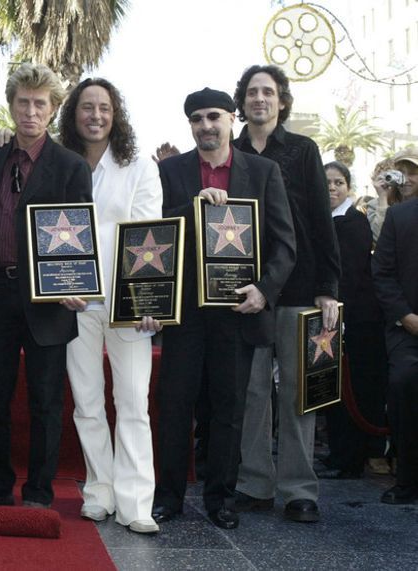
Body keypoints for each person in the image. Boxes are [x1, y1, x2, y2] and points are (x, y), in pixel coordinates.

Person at [152, 87, 295, 530]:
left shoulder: (263, 170)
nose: (205, 125)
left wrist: (264, 291)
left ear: (232, 119)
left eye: (214, 116)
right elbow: (154, 229)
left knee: (230, 408)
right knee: (175, 404)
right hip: (185, 313)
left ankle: (221, 499)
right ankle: (168, 497)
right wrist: (192, 206)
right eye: (196, 118)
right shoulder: (171, 171)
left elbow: (285, 244)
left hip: (239, 311)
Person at [0, 63, 92, 509]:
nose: (31, 111)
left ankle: (38, 492)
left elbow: (79, 231)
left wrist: (75, 281)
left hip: (49, 300)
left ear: (53, 109)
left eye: (40, 103)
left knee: (45, 402)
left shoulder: (72, 167)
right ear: (11, 105)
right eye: (23, 102)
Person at [229, 65, 340, 524]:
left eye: (268, 92)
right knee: (252, 390)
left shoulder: (303, 149)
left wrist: (329, 289)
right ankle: (254, 483)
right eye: (252, 92)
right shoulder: (229, 149)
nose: (260, 99)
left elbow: (320, 218)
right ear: (242, 101)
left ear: (281, 100)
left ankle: (299, 489)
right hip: (243, 292)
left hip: (300, 289)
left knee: (299, 393)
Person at [59, 78, 162, 533]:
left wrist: (148, 298)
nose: (95, 115)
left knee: (133, 399)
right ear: (73, 114)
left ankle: (136, 502)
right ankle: (99, 492)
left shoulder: (139, 166)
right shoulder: (60, 163)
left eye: (104, 107)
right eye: (86, 107)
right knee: (86, 401)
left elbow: (149, 236)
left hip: (128, 305)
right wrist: (59, 283)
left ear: (115, 114)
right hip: (74, 301)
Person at [320, 161, 387, 480]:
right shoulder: (319, 219)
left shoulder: (354, 221)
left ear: (348, 187)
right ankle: (337, 455)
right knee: (333, 390)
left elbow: (348, 272)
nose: (332, 188)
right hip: (329, 318)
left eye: (338, 182)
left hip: (355, 320)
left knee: (354, 390)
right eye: (327, 182)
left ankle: (351, 459)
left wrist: (337, 308)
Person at [371, 177, 418, 505]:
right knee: (404, 384)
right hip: (407, 330)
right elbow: (382, 273)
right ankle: (407, 479)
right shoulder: (400, 217)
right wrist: (407, 317)